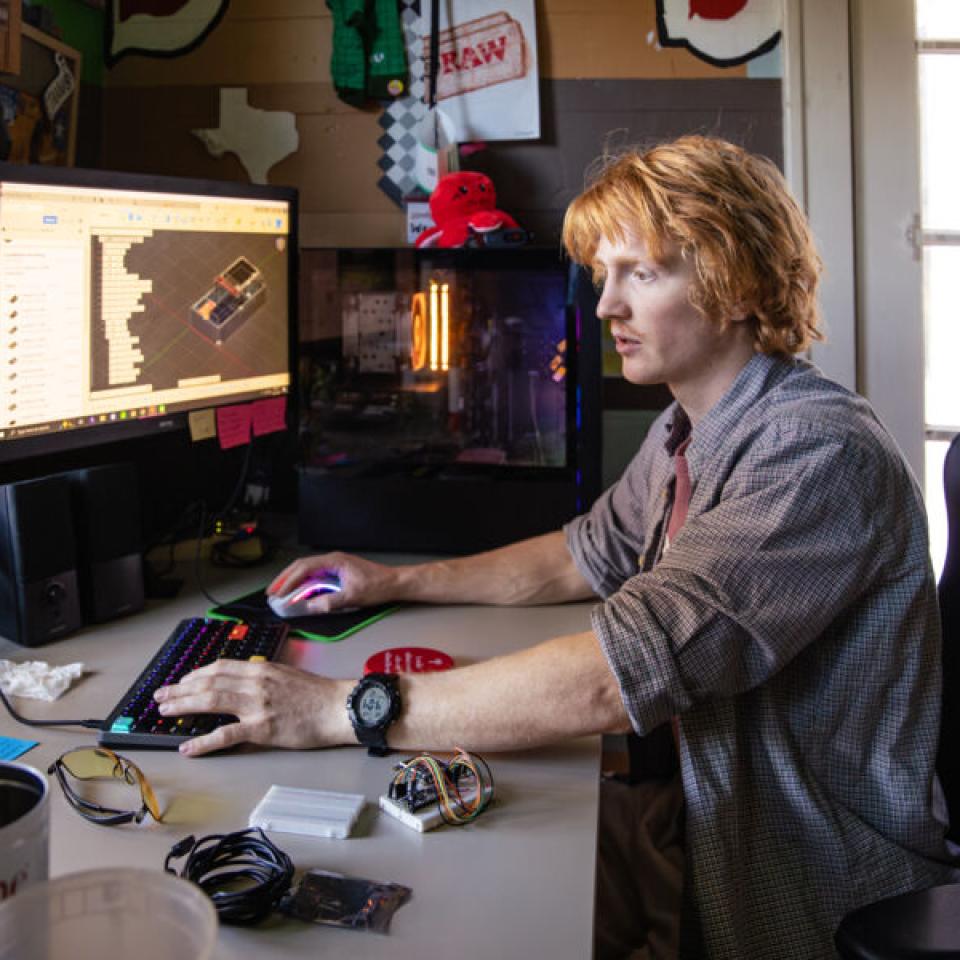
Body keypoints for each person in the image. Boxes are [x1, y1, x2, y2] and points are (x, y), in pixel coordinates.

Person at [154, 135, 959, 958]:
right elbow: (581, 554)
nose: (607, 307)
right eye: (604, 275)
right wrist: (393, 582)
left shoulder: (815, 450)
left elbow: (619, 676)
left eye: (641, 273)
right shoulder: (688, 428)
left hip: (801, 879)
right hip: (699, 814)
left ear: (738, 282)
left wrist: (338, 708)